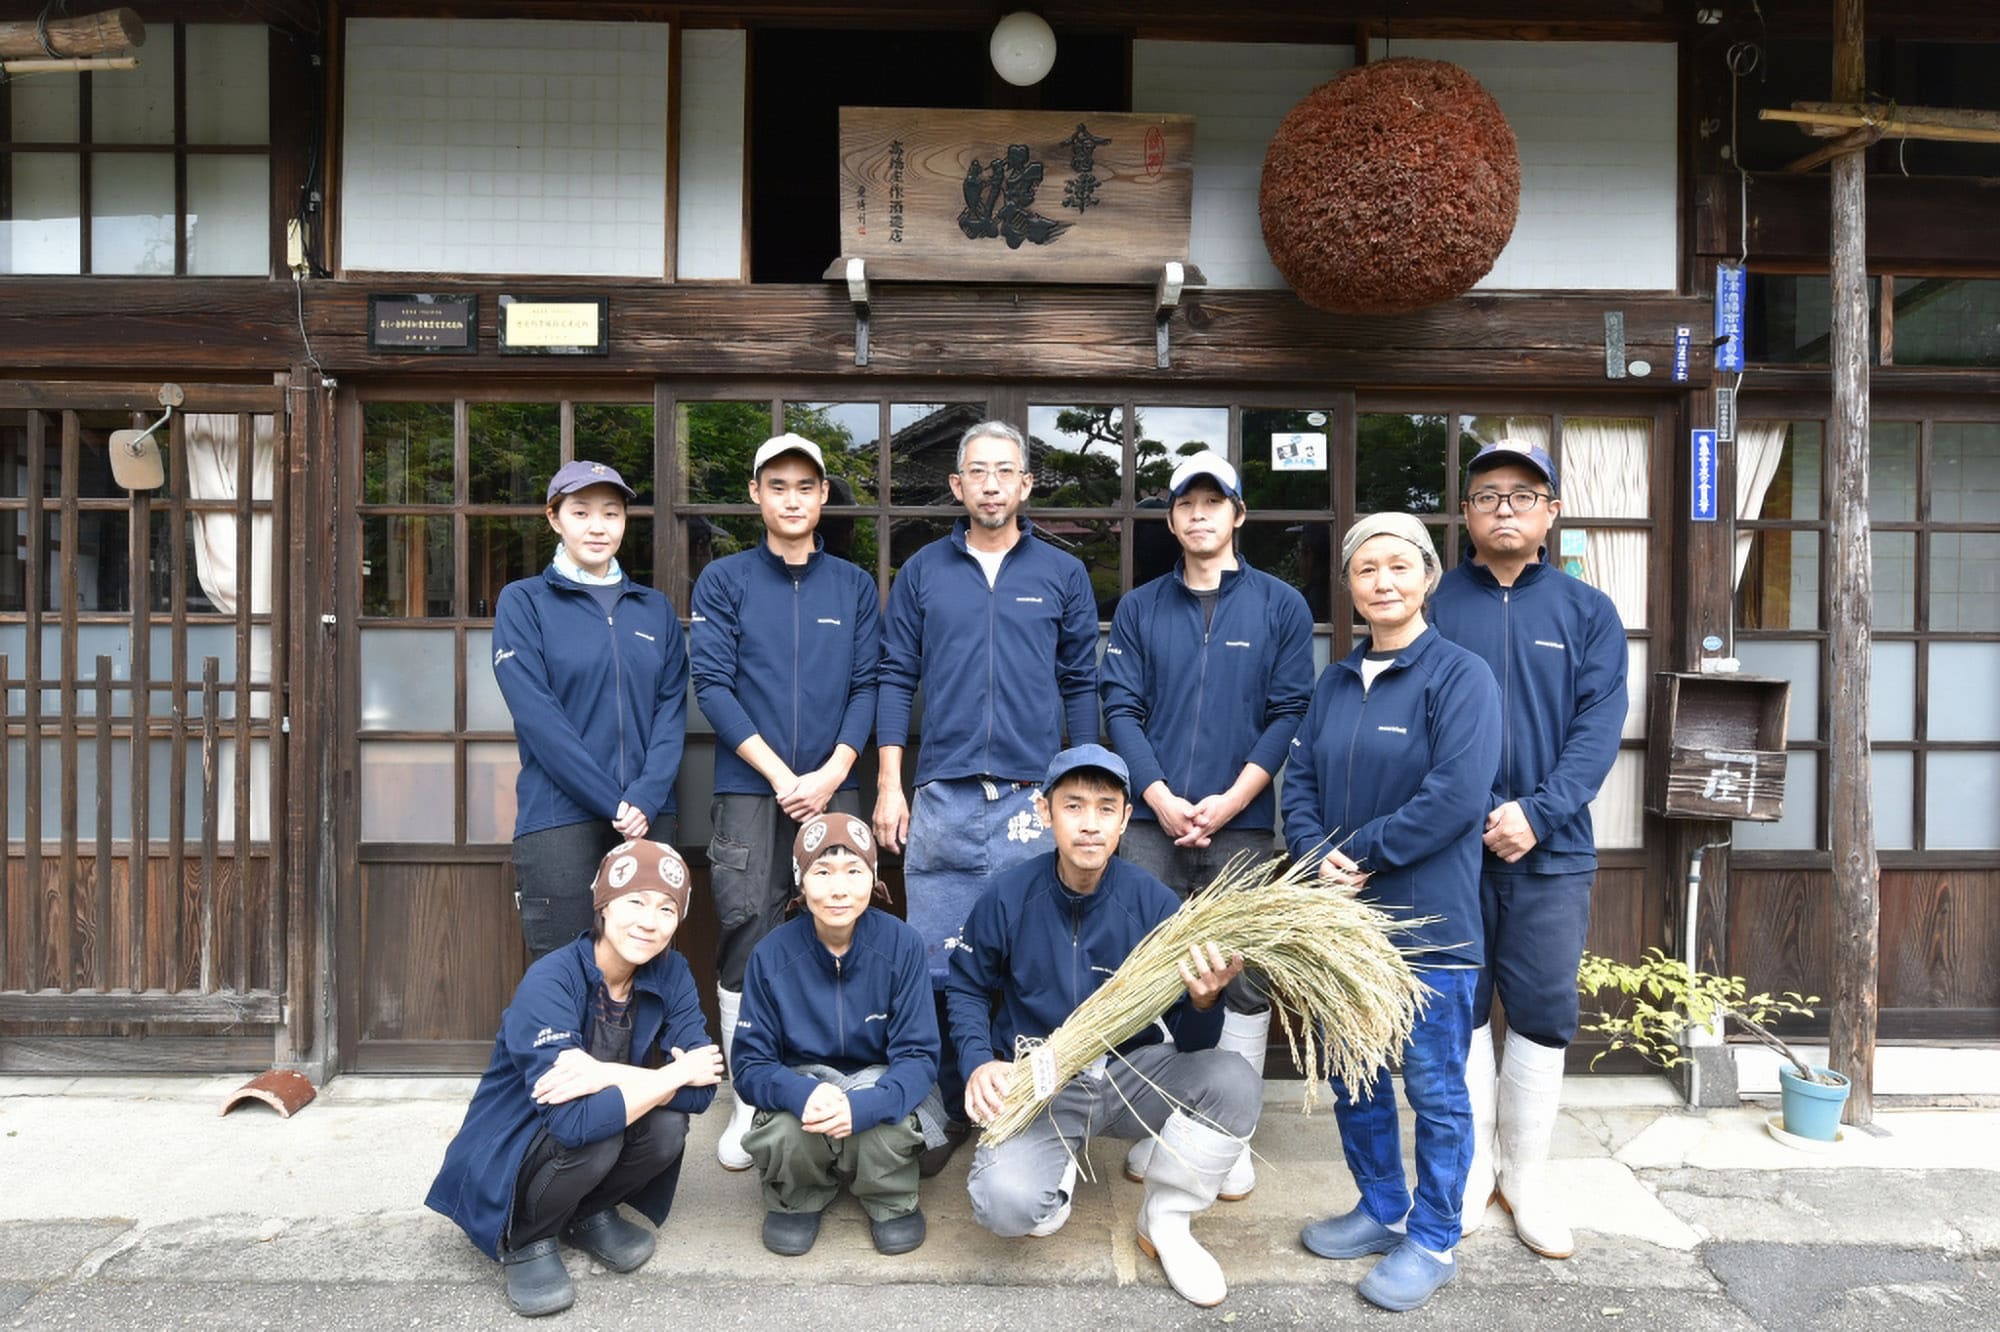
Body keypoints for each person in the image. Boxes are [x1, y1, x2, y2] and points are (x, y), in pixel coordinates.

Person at [948, 745, 1261, 1309]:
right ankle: (1058, 1163)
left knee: (1233, 1081)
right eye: (1073, 806)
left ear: (1124, 819)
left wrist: (1204, 1001)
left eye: (1105, 808)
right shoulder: (1008, 897)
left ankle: (1166, 1219)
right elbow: (967, 986)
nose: (1089, 823)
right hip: (1042, 1083)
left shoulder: (1153, 904)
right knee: (1005, 1207)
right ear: (1044, 813)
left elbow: (1194, 1043)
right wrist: (978, 1061)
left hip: (1130, 1075)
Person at [1282, 514, 1500, 1314]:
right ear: (1348, 585)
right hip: (1344, 926)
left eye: (1399, 566)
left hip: (1429, 926)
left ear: (1429, 577)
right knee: (1357, 1079)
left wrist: (1361, 852)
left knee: (1435, 1089)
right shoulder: (1335, 682)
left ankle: (1435, 1237)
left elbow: (1457, 795)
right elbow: (1299, 782)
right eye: (1366, 568)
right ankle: (1382, 1208)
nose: (1383, 581)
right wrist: (1316, 854)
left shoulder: (1461, 676)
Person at [1426, 439, 1628, 1260]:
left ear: (1550, 513)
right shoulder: (1435, 604)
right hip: (1451, 851)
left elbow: (1598, 730)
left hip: (1554, 849)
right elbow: (1416, 723)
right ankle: (1474, 1170)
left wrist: (1537, 815)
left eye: (1522, 494)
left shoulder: (1588, 612)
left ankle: (1527, 1177)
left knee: (1543, 1013)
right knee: (1462, 1008)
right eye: (1487, 495)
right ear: (1466, 513)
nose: (1504, 508)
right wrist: (1472, 813)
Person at [873, 419, 1100, 1134]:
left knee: (1032, 954)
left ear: (1025, 484)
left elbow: (1080, 683)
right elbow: (894, 675)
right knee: (938, 960)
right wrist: (890, 783)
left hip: (1033, 798)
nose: (992, 485)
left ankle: (1028, 1103)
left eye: (1006, 471)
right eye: (978, 472)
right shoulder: (923, 571)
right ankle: (946, 1109)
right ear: (957, 485)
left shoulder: (1062, 572)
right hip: (943, 793)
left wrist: (1085, 790)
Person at [1101, 450, 1313, 1199]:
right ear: (1171, 520)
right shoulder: (1140, 607)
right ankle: (1158, 1121)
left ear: (1237, 514)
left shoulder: (1281, 606)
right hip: (1150, 822)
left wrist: (1231, 800)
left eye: (1213, 502)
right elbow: (1120, 706)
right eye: (1185, 504)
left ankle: (1231, 1134)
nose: (1199, 514)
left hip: (1242, 822)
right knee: (1147, 971)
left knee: (1241, 976)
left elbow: (1289, 711)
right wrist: (1157, 796)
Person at [689, 433, 882, 1172]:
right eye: (778, 485)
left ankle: (830, 1076)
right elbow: (713, 685)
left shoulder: (853, 586)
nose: (793, 498)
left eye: (806, 486)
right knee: (746, 925)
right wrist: (780, 774)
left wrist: (832, 772)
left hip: (837, 783)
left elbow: (868, 684)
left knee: (839, 920)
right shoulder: (726, 580)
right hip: (749, 784)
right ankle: (749, 1095)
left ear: (824, 495)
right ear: (756, 494)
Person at [425, 841, 723, 1317]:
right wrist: (677, 1073)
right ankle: (526, 1236)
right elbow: (571, 1122)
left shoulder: (672, 972)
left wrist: (607, 1072)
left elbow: (702, 1090)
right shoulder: (552, 978)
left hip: (585, 1123)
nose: (650, 922)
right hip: (517, 1140)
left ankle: (584, 1213)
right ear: (603, 905)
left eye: (667, 909)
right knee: (597, 1134)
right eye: (635, 902)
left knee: (667, 1128)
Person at [493, 459, 688, 958]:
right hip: (559, 815)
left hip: (647, 816)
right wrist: (611, 801)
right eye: (581, 512)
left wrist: (645, 797)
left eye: (611, 513)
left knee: (646, 965)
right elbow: (539, 718)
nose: (597, 526)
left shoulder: (654, 609)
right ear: (554, 518)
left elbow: (671, 711)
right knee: (564, 967)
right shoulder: (524, 602)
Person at [731, 811, 941, 1258]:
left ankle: (890, 1197)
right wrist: (800, 1094)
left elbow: (919, 1056)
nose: (839, 889)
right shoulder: (770, 954)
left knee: (886, 1124)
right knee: (787, 1130)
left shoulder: (903, 944)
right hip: (805, 1082)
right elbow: (750, 1065)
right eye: (822, 872)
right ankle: (797, 1195)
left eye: (854, 871)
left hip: (876, 1077)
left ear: (874, 878)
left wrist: (865, 1105)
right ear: (801, 881)